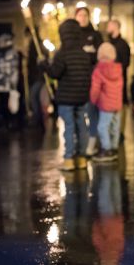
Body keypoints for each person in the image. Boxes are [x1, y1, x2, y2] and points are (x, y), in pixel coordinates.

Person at [39, 19, 92, 171]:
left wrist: (44, 65)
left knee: (69, 127)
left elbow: (55, 73)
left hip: (66, 98)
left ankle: (69, 159)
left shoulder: (62, 54)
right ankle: (82, 158)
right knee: (82, 126)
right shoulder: (83, 54)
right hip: (82, 96)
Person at [75, 6, 103, 155]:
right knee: (80, 113)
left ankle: (93, 141)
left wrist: (89, 54)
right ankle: (82, 141)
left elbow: (100, 55)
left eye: (85, 15)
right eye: (80, 15)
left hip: (93, 79)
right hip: (78, 79)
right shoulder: (73, 35)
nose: (83, 18)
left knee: (92, 111)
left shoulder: (96, 34)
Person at [90, 43, 124, 162]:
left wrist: (93, 100)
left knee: (102, 127)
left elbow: (95, 88)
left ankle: (106, 149)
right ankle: (114, 149)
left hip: (105, 105)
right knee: (115, 126)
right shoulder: (118, 69)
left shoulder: (98, 70)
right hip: (117, 104)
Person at [0, 33, 19, 129]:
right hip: (1, 85)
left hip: (8, 85)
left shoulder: (12, 53)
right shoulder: (0, 54)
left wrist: (13, 83)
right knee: (2, 104)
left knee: (10, 105)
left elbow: (14, 70)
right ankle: (5, 123)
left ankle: (11, 123)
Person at [107, 19, 131, 104]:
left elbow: (126, 63)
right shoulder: (109, 43)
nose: (107, 28)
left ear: (115, 27)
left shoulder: (123, 44)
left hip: (118, 81)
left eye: (109, 26)